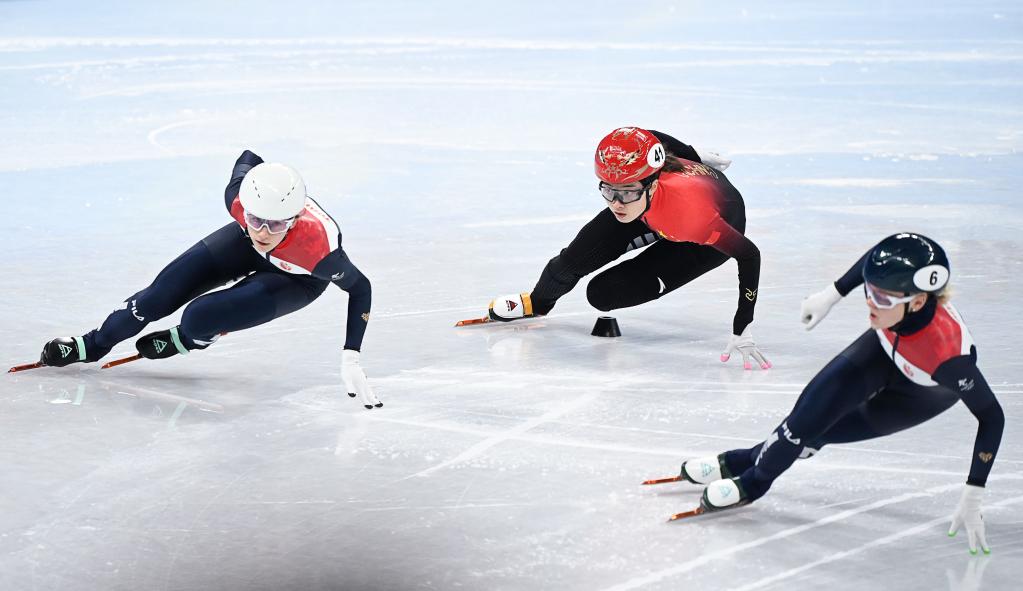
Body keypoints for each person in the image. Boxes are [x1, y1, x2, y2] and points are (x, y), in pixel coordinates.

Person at [672, 233, 1004, 554]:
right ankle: (746, 465)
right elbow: (874, 261)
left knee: (819, 433)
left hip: (919, 395)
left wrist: (974, 489)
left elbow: (992, 417)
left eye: (884, 298)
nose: (872, 304)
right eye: (870, 292)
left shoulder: (948, 359)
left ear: (918, 302)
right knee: (802, 421)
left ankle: (751, 480)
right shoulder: (895, 304)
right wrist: (831, 294)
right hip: (885, 347)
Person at [35, 150, 382, 409]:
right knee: (157, 297)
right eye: (256, 218)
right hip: (240, 246)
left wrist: (351, 356)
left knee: (199, 317)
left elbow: (360, 288)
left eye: (275, 224)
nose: (263, 231)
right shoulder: (239, 201)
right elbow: (248, 158)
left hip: (297, 278)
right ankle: (92, 344)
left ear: (292, 220)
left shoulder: (320, 250)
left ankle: (192, 338)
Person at [486, 127, 769, 369]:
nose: (617, 203)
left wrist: (742, 323)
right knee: (571, 262)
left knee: (603, 294)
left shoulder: (693, 217)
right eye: (608, 190)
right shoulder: (629, 186)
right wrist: (691, 154)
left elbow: (749, 254)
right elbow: (645, 136)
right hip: (649, 209)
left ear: (653, 184)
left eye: (626, 192)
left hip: (699, 233)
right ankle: (537, 304)